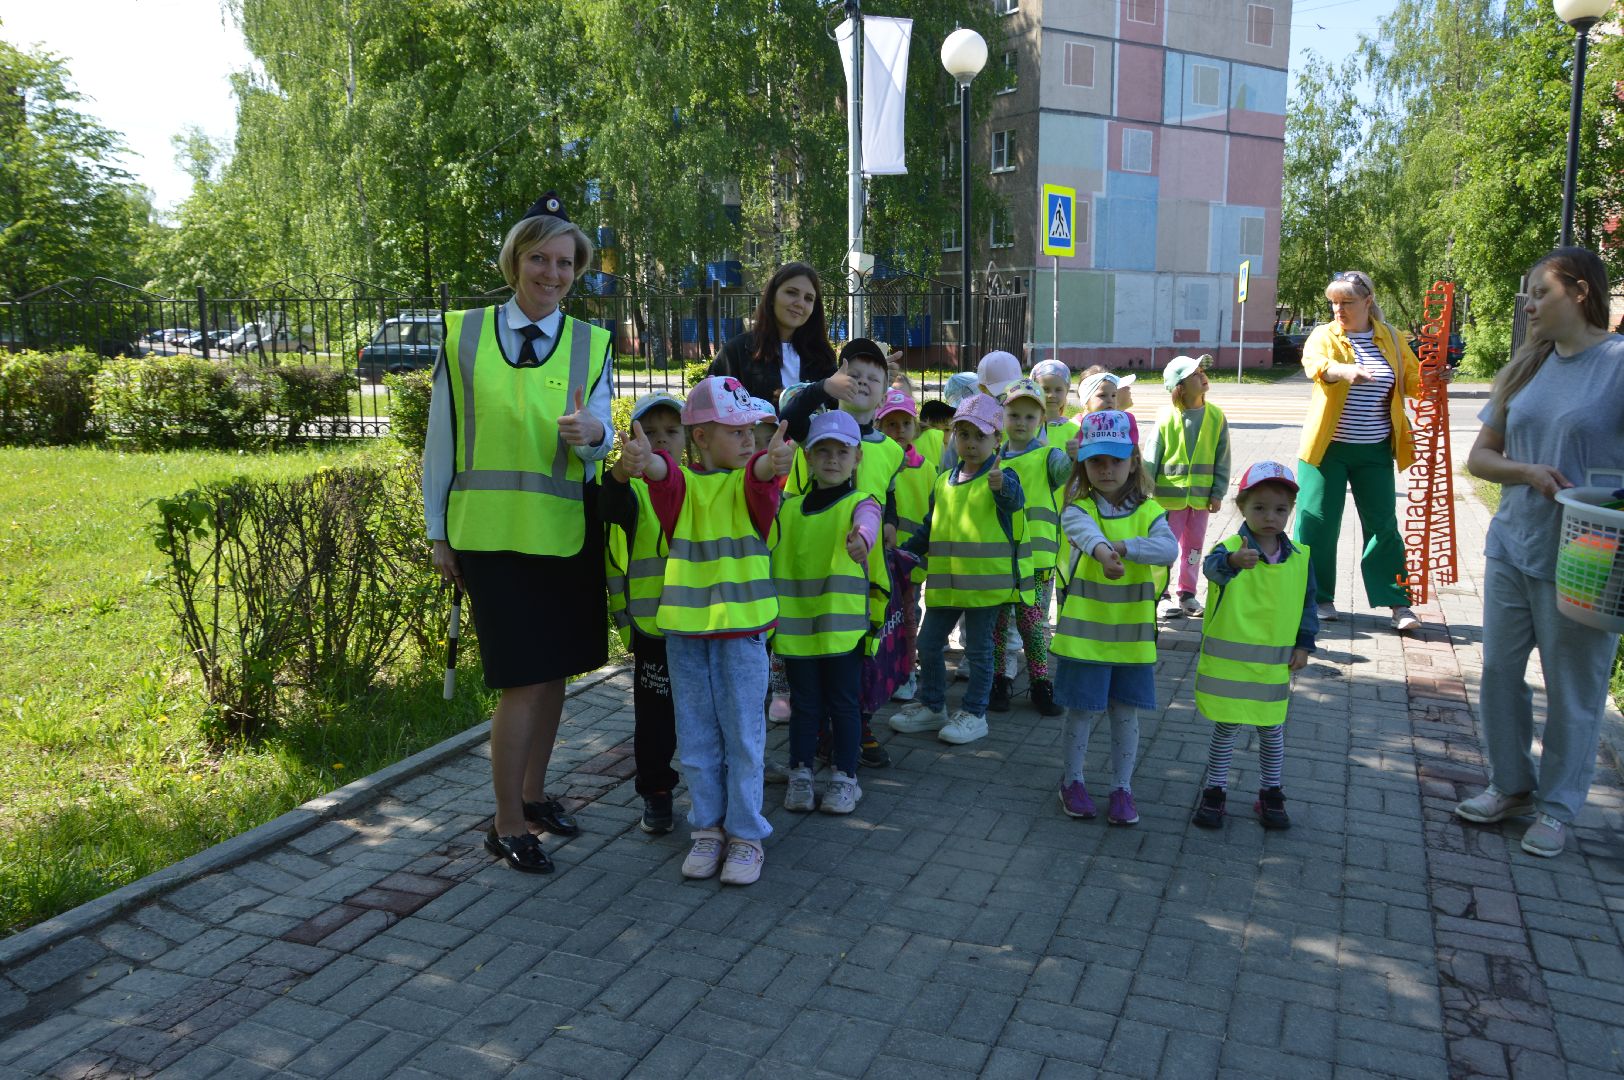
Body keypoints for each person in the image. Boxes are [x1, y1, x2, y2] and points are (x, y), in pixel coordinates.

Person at [424, 192, 615, 874]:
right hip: (492, 536)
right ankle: (504, 822)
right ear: (515, 260)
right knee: (523, 680)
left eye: (566, 263)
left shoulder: (591, 341)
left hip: (564, 533)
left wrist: (595, 434)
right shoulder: (465, 334)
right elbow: (440, 445)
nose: (552, 273)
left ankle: (533, 797)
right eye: (539, 257)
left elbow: (603, 427)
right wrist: (437, 533)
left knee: (556, 671)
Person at [1455, 246, 1624, 858]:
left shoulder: (1618, 365)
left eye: (1540, 293)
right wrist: (1526, 472)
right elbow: (1479, 458)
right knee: (1499, 672)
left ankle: (1557, 808)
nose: (1528, 304)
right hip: (1512, 545)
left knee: (1572, 686)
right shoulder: (1526, 367)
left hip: (1587, 557)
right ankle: (1511, 786)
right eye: (1526, 294)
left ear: (1579, 293)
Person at [624, 375, 796, 885]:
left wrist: (774, 460)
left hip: (742, 634)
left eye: (753, 431)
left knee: (744, 736)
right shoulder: (682, 485)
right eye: (736, 431)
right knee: (697, 738)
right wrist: (645, 458)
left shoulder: (753, 482)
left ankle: (745, 835)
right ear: (699, 437)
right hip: (686, 636)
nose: (750, 441)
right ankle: (708, 830)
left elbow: (764, 476)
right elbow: (662, 475)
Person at [779, 338, 905, 767]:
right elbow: (788, 415)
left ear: (886, 391)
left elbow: (888, 494)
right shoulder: (816, 428)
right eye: (855, 375)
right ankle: (815, 734)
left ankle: (857, 728)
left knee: (861, 655)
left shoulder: (889, 448)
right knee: (813, 656)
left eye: (874, 378)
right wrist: (824, 388)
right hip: (811, 559)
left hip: (862, 567)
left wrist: (888, 524)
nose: (863, 383)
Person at [1050, 410, 1176, 826]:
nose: (1106, 469)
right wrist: (1106, 553)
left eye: (1116, 460)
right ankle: (1073, 781)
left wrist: (1123, 547)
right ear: (1083, 463)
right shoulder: (1077, 508)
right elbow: (1085, 536)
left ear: (1134, 461)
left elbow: (1168, 549)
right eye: (1096, 460)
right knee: (1082, 712)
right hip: (1084, 639)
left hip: (1133, 640)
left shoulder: (1151, 510)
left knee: (1125, 713)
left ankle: (1122, 788)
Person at [891, 393, 1030, 745]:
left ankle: (974, 712)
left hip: (984, 589)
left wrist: (1004, 486)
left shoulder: (1001, 477)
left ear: (997, 439)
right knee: (928, 643)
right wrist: (904, 554)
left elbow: (1013, 499)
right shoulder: (944, 480)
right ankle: (933, 705)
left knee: (979, 652)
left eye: (980, 436)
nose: (969, 443)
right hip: (945, 587)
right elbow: (929, 527)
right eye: (963, 434)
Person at [1190, 462, 1318, 830]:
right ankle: (1214, 792)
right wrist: (1232, 561)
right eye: (1259, 507)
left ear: (1291, 510)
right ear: (1241, 507)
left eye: (1280, 509)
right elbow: (1213, 570)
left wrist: (1304, 645)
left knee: (1272, 730)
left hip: (1272, 667)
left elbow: (1308, 603)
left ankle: (1271, 793)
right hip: (1230, 669)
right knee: (1226, 729)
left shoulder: (1298, 557)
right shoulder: (1228, 548)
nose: (1270, 517)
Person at [1294, 270, 1423, 632]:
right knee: (1317, 522)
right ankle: (1317, 597)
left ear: (1367, 302)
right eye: (1334, 302)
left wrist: (1433, 379)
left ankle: (1399, 604)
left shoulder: (1393, 339)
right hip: (1327, 450)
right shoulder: (1324, 335)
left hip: (1376, 449)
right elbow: (1315, 366)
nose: (1339, 310)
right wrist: (1342, 370)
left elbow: (1412, 382)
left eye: (1347, 302)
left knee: (1383, 527)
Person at [773, 411, 885, 815]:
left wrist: (864, 542)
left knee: (843, 705)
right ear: (807, 456)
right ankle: (800, 774)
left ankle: (843, 777)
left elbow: (868, 521)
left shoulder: (861, 502)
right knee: (805, 707)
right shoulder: (788, 509)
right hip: (799, 632)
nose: (832, 459)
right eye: (823, 451)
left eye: (842, 452)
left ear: (857, 459)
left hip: (842, 632)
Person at [604, 392, 686, 836]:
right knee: (656, 720)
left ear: (690, 437)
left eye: (671, 432)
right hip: (655, 628)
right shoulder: (631, 489)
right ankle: (656, 793)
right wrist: (621, 470)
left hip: (706, 627)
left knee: (709, 717)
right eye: (648, 433)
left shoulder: (699, 482)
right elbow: (608, 505)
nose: (660, 441)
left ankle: (720, 794)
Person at [990, 378, 1070, 716]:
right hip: (1000, 558)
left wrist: (1077, 458)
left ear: (1040, 420)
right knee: (998, 621)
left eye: (1029, 417)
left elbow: (1067, 473)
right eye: (1014, 415)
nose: (1021, 423)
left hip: (1037, 559)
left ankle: (1040, 682)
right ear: (1002, 417)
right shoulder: (992, 458)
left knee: (1032, 622)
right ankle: (1000, 680)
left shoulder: (1049, 457)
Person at [1147, 354, 1230, 618]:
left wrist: (1217, 493)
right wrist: (1143, 494)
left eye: (1202, 370)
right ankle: (1161, 594)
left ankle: (1188, 594)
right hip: (1167, 501)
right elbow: (1150, 457)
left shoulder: (1216, 416)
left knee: (1193, 550)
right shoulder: (1165, 418)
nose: (1202, 375)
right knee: (1164, 550)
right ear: (1179, 387)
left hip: (1200, 501)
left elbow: (1222, 458)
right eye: (1195, 373)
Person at [709, 262, 839, 407]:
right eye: (791, 292)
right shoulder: (735, 353)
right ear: (772, 297)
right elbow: (712, 408)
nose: (800, 303)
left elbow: (837, 412)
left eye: (808, 298)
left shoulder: (822, 357)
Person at [877, 389, 934, 703]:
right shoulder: (876, 461)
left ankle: (907, 671)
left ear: (916, 427)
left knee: (909, 615)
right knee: (882, 614)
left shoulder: (925, 467)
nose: (898, 431)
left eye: (904, 424)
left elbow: (933, 510)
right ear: (880, 426)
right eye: (890, 424)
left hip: (911, 560)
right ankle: (883, 667)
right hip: (879, 558)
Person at [1031, 358, 1079, 449]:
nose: (1052, 395)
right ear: (1034, 389)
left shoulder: (1074, 431)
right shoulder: (1026, 427)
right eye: (1045, 389)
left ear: (1067, 391)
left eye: (1058, 390)